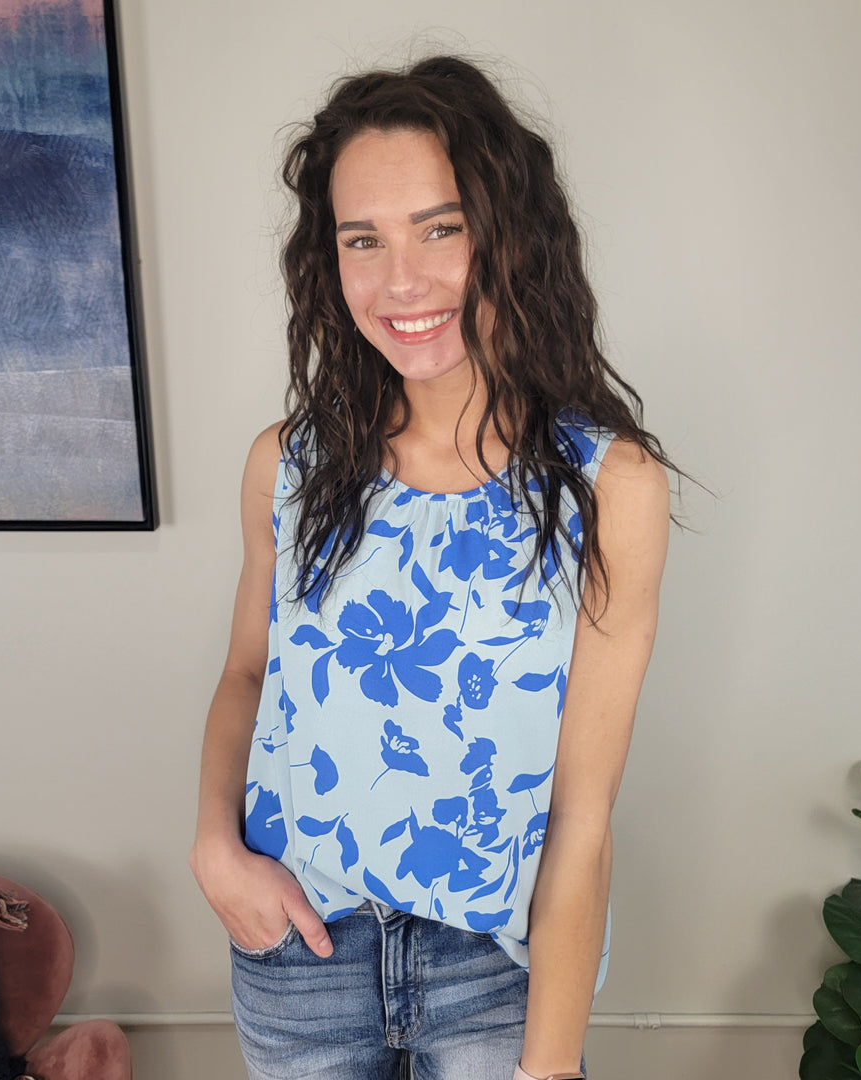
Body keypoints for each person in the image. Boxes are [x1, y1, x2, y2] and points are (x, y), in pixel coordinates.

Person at [190, 54, 672, 1080]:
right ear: (331, 262)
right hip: (298, 946)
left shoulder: (608, 486)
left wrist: (546, 1069)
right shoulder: (289, 465)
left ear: (510, 235)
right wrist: (212, 847)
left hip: (495, 970)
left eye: (440, 229)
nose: (400, 281)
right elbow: (245, 675)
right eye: (363, 239)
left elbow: (582, 820)